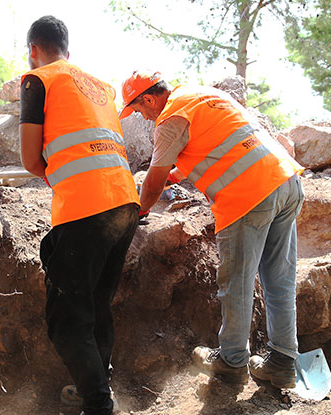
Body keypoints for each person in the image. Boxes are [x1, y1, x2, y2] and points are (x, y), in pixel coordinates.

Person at [119, 71, 305, 389]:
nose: (144, 117)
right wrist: (180, 173)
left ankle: (232, 361)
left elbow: (153, 180)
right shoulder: (202, 95)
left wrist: (141, 210)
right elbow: (224, 143)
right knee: (279, 280)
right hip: (286, 181)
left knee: (237, 284)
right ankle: (283, 362)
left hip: (248, 195)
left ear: (149, 99)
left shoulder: (169, 117)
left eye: (139, 110)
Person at [19, 16, 140, 415]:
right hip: (124, 201)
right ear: (67, 49)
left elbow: (31, 160)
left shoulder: (38, 80)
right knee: (96, 304)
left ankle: (98, 404)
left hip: (86, 206)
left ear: (34, 49)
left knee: (67, 320)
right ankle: (98, 388)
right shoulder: (101, 87)